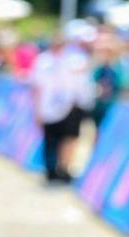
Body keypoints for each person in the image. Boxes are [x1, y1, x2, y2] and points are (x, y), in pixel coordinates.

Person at [30, 33, 89, 183]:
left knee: (68, 139)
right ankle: (50, 170)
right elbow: (36, 87)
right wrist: (37, 110)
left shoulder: (72, 60)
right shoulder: (43, 61)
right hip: (48, 108)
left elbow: (81, 80)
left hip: (69, 107)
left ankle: (64, 169)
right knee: (51, 140)